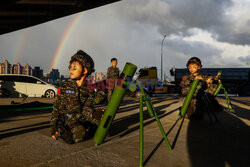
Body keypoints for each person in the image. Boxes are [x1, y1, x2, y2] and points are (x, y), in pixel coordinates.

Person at [50, 50, 105, 144]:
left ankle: (87, 128)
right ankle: (68, 129)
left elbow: (86, 108)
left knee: (103, 124)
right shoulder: (65, 86)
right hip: (67, 120)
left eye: (74, 68)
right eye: (70, 67)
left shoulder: (89, 89)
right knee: (77, 135)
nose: (71, 70)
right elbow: (57, 105)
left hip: (81, 117)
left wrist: (94, 114)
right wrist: (53, 124)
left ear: (85, 71)